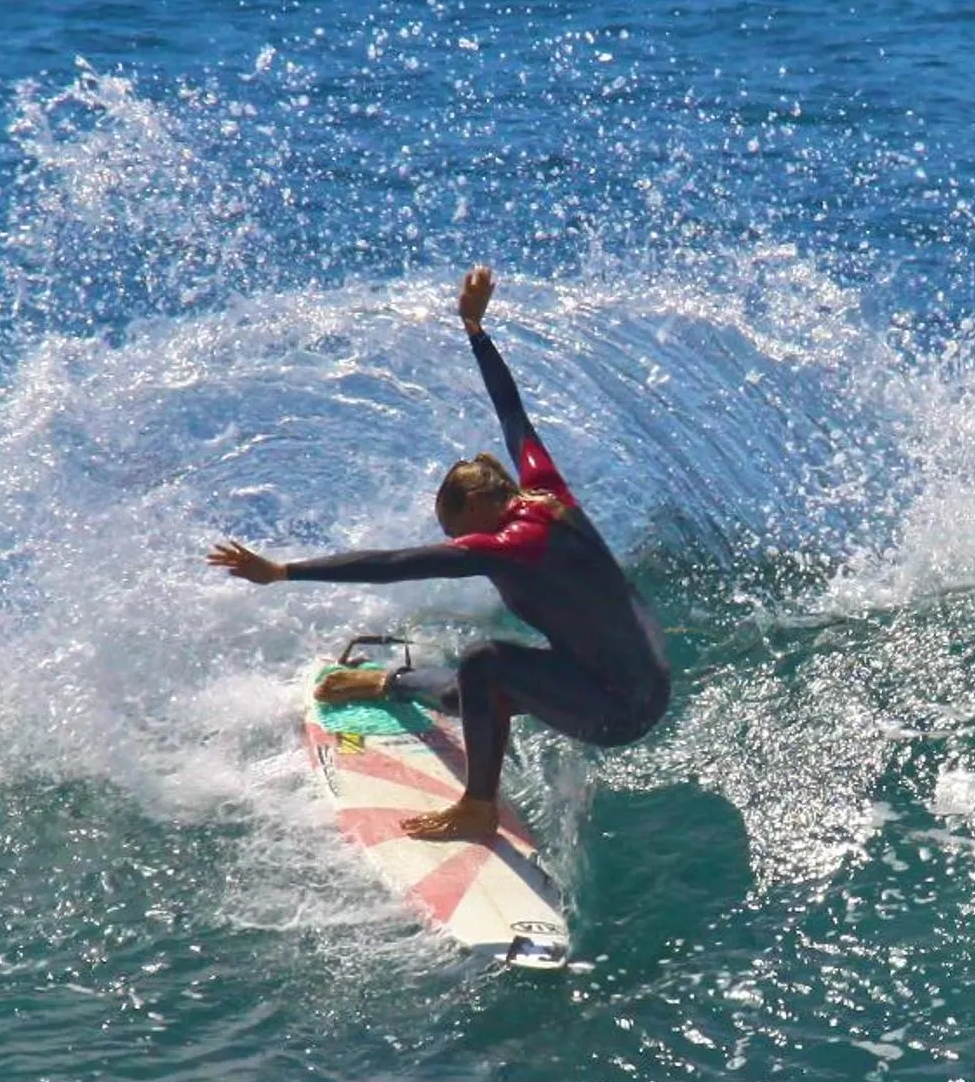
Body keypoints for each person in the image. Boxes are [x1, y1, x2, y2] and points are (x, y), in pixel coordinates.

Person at [206, 266, 671, 841]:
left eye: (456, 527)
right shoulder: (544, 488)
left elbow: (392, 565)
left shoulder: (508, 545)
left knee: (485, 662)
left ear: (477, 503)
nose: (458, 542)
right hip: (643, 677)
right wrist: (475, 328)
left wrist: (282, 571)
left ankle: (478, 808)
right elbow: (512, 412)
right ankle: (391, 685)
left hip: (619, 711)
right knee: (470, 689)